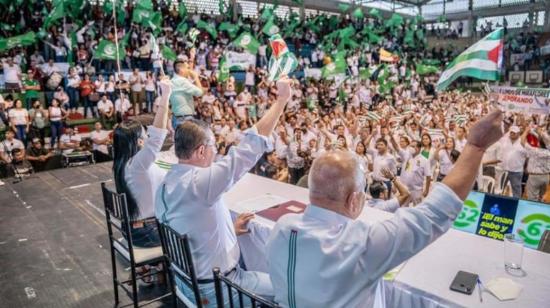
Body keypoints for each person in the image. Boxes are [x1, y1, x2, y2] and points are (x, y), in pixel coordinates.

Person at [266, 110, 504, 307]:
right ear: (353, 200)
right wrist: (476, 146)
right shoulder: (361, 245)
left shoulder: (282, 227)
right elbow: (434, 214)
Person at [155, 78, 292, 305]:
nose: (215, 151)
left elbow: (190, 226)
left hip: (185, 282)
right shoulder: (199, 182)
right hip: (220, 289)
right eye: (213, 146)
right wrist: (281, 100)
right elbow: (249, 148)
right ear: (201, 151)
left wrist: (231, 230)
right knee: (290, 289)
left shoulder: (165, 184)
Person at [112, 77, 171, 250]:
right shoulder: (137, 164)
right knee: (190, 227)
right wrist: (165, 96)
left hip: (135, 228)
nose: (147, 136)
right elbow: (158, 135)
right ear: (138, 142)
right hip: (147, 231)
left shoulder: (124, 162)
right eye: (145, 134)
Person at [169, 57, 204, 129]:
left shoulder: (172, 81)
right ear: (181, 69)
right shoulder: (182, 81)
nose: (189, 70)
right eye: (187, 68)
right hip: (185, 119)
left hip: (176, 118)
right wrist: (196, 77)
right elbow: (200, 92)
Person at [499, 125, 528, 198]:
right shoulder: (504, 140)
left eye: (514, 133)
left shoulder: (523, 142)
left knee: (516, 190)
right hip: (503, 169)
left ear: (518, 133)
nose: (512, 134)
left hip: (516, 171)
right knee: (500, 188)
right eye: (511, 132)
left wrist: (526, 167)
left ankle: (516, 203)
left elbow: (527, 156)